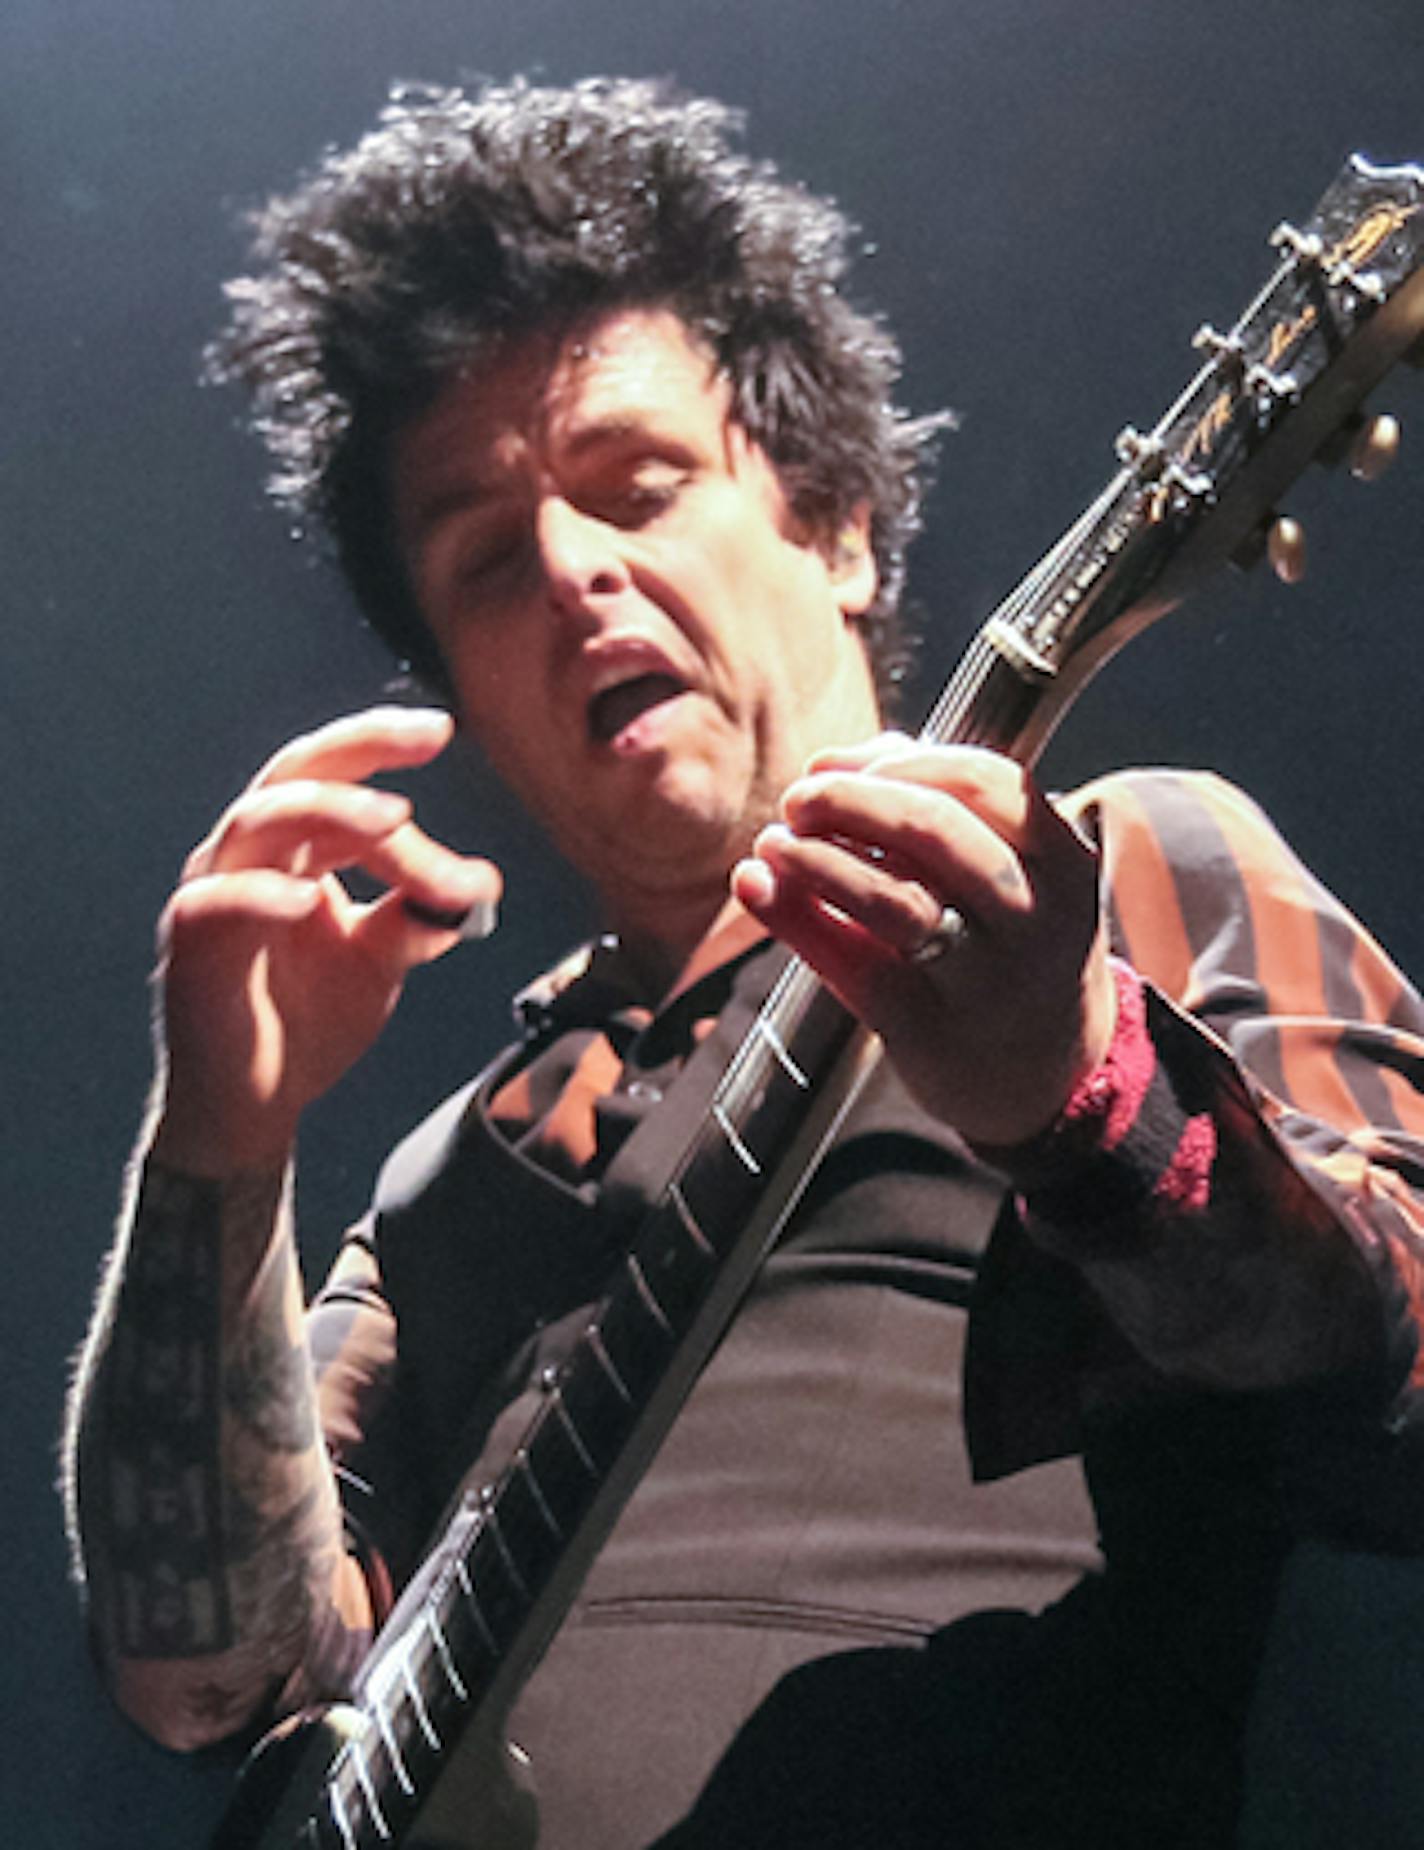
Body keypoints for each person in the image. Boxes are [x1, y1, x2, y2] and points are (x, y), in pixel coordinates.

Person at [63, 76, 1424, 1849]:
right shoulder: (450, 1172)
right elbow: (209, 1678)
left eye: (636, 486)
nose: (571, 571)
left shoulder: (1130, 859)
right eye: (486, 560)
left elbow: (1397, 1391)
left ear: (839, 528)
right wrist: (217, 1157)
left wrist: (1078, 1097)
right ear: (463, 696)